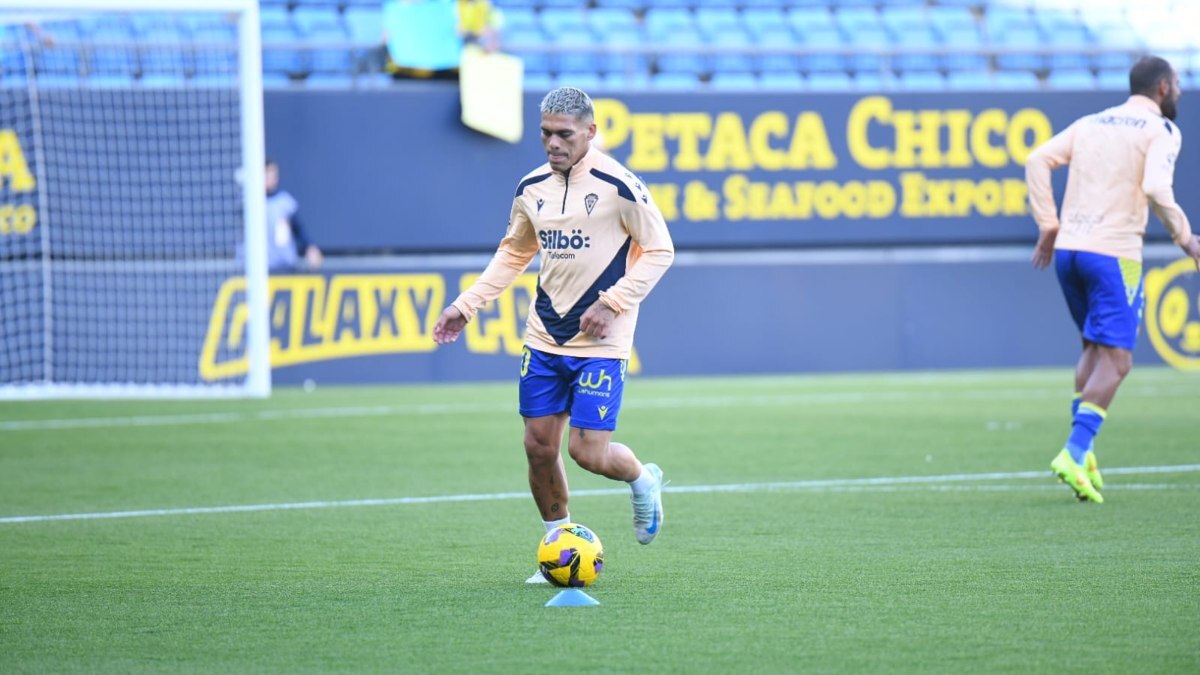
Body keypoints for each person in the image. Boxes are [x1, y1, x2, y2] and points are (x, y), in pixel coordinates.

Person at [432, 87, 675, 582]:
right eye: (545, 133)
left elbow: (661, 250)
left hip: (603, 339)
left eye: (564, 134)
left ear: (590, 131)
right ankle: (557, 551)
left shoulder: (619, 185)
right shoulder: (531, 188)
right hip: (545, 335)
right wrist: (466, 304)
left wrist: (613, 303)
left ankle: (642, 478)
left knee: (587, 452)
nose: (553, 143)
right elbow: (514, 253)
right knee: (538, 446)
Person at [1025, 55, 1200, 503]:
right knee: (1118, 361)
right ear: (1162, 88)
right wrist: (1187, 238)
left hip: (1069, 250)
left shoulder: (1090, 123)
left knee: (1093, 347)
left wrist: (1048, 223)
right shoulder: (1160, 130)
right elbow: (1158, 190)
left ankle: (1085, 457)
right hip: (1113, 253)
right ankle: (1074, 450)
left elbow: (1037, 159)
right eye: (1176, 84)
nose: (1177, 92)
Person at [265, 159, 323, 273]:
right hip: (259, 268)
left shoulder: (285, 202)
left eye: (274, 173)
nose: (271, 177)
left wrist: (310, 248)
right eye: (267, 173)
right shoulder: (248, 202)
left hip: (285, 266)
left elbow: (299, 229)